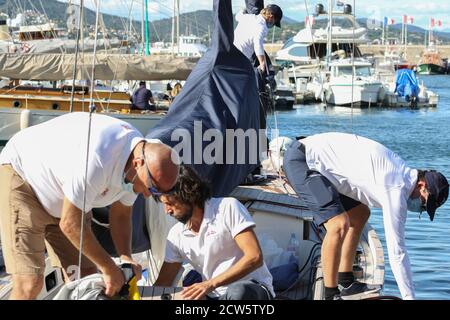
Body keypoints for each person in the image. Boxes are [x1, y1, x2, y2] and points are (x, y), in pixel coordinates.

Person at [0, 112, 179, 300]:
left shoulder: (140, 169)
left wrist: (125, 257)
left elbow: (121, 215)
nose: (149, 194)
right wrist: (109, 267)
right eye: (152, 188)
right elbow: (70, 224)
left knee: (87, 277)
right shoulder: (99, 157)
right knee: (30, 283)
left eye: (158, 193)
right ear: (138, 163)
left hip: (65, 200)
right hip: (24, 179)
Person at [282, 132, 449, 300]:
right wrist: (409, 297)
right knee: (339, 225)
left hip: (323, 165)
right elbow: (397, 253)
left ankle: (345, 280)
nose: (420, 208)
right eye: (423, 203)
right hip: (303, 161)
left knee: (360, 214)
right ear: (421, 185)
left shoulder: (403, 174)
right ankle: (330, 294)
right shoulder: (396, 189)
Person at [154, 166, 275, 300]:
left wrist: (209, 284)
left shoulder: (228, 208)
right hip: (214, 295)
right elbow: (162, 284)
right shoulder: (176, 235)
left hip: (252, 290)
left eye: (170, 203)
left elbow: (254, 257)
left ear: (189, 195)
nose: (167, 211)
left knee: (238, 292)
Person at [233, 3, 283, 74]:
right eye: (274, 22)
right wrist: (262, 63)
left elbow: (237, 16)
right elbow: (258, 43)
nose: (273, 25)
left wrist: (243, 9)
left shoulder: (249, 17)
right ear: (271, 17)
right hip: (240, 58)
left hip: (231, 51)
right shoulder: (262, 27)